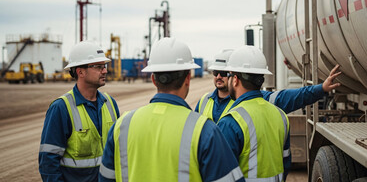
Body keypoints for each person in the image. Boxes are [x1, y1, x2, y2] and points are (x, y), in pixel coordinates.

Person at [99, 38, 244, 182]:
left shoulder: (122, 126)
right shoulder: (204, 130)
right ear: (187, 78)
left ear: (154, 79)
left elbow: (105, 178)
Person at [39, 41, 120, 182]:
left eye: (105, 66)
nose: (105, 71)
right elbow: (48, 163)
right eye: (98, 67)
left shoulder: (110, 103)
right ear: (80, 71)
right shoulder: (61, 108)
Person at [195, 49, 341, 123]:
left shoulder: (257, 99)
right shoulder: (203, 102)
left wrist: (321, 88)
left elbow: (292, 97)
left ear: (234, 75)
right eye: (215, 72)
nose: (218, 76)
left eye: (222, 72)